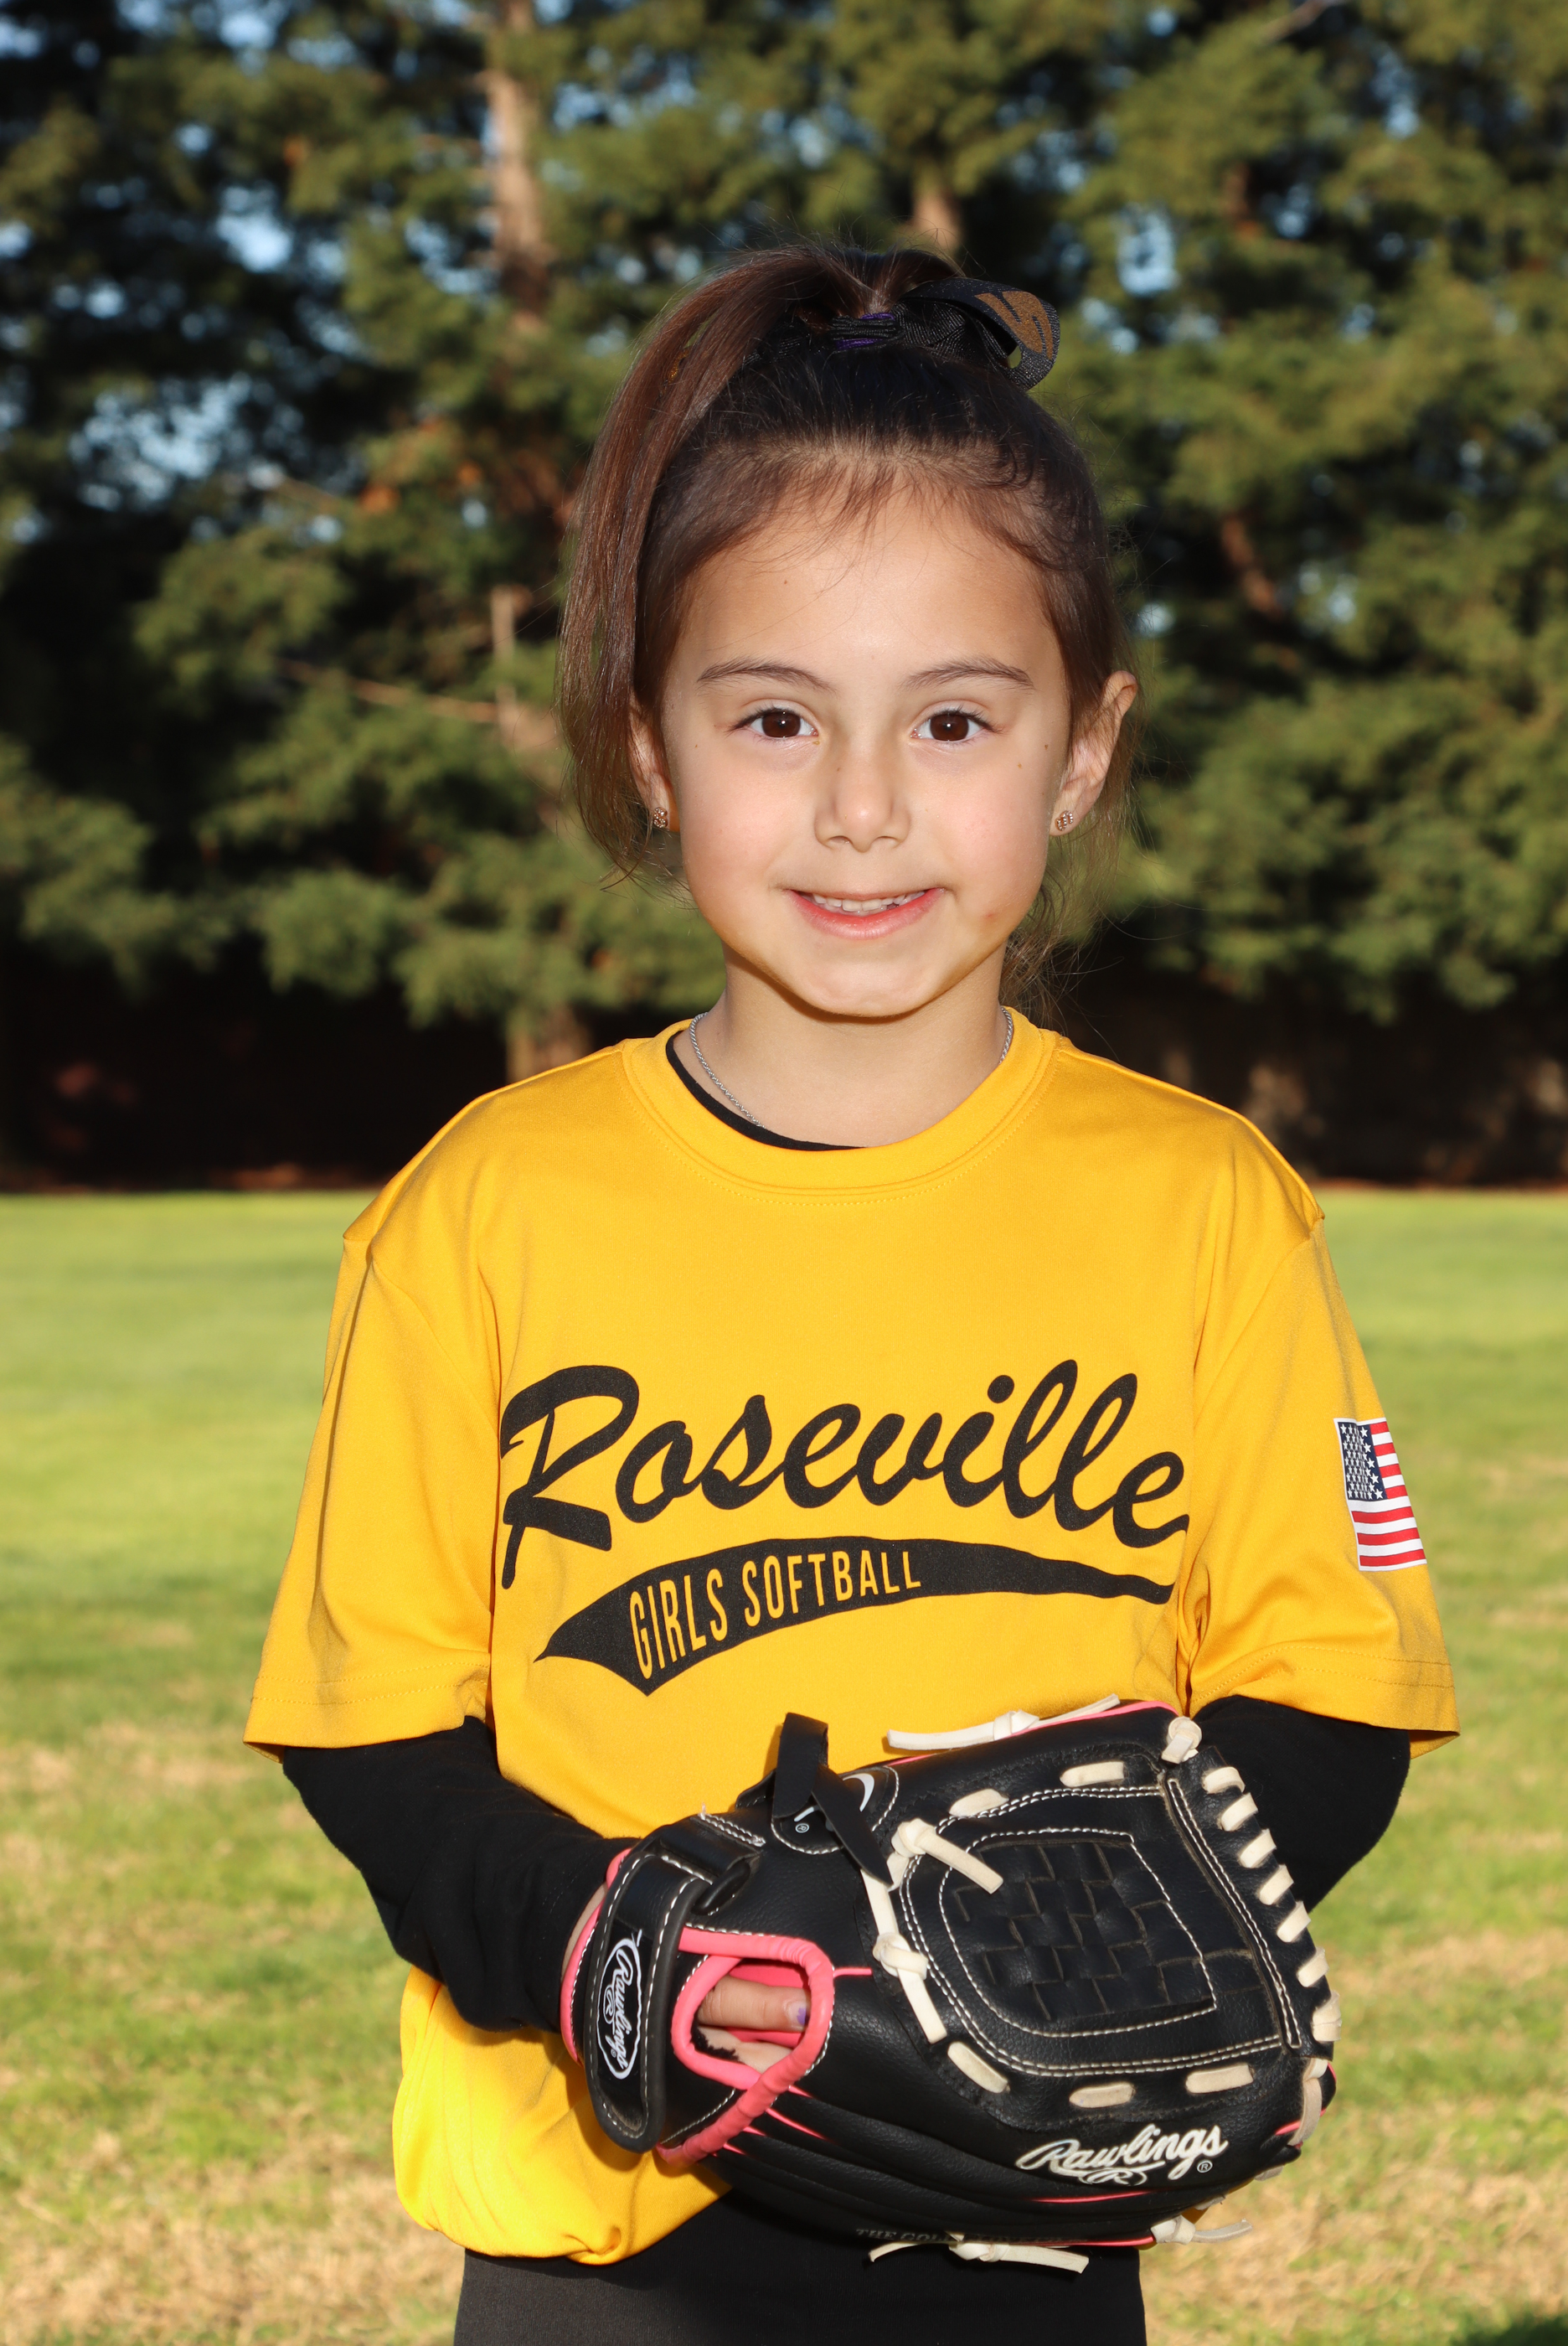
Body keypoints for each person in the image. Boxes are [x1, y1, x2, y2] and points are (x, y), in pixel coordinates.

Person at [245, 243, 1457, 2346]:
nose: (864, 806)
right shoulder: (487, 1205)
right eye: (775, 716)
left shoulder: (1202, 1206)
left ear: (1082, 750)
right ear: (649, 744)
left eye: (956, 718)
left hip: (1013, 2210)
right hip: (599, 2222)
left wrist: (1029, 1960)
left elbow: (1332, 1694)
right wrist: (631, 1952)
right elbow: (374, 1729)